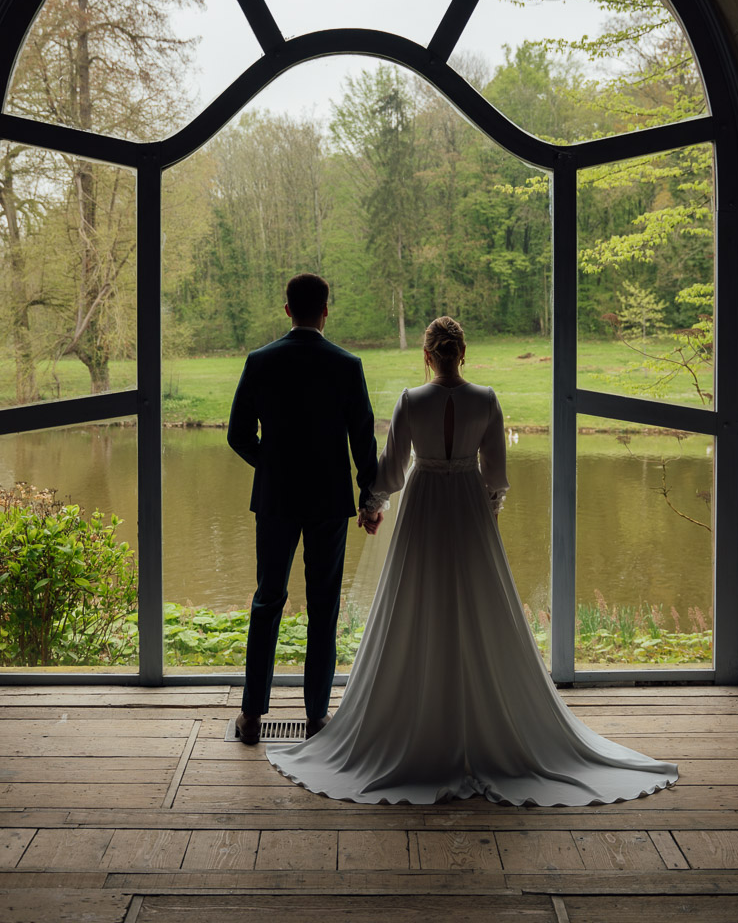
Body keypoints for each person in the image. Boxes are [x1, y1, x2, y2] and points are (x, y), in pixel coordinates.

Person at [268, 316, 679, 806]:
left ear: (427, 355)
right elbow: (497, 477)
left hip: (423, 508)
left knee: (416, 601)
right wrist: (487, 515)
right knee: (479, 605)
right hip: (467, 508)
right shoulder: (486, 400)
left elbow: (394, 471)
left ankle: (422, 719)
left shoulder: (409, 401)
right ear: (462, 354)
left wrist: (371, 506)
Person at [227, 273, 380, 745]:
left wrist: (270, 464)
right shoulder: (347, 365)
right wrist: (367, 496)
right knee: (323, 607)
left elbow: (237, 435)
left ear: (288, 310)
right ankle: (316, 717)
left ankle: (252, 716)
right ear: (326, 310)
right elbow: (364, 442)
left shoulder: (260, 361)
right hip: (329, 502)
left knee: (267, 600)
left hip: (275, 499)